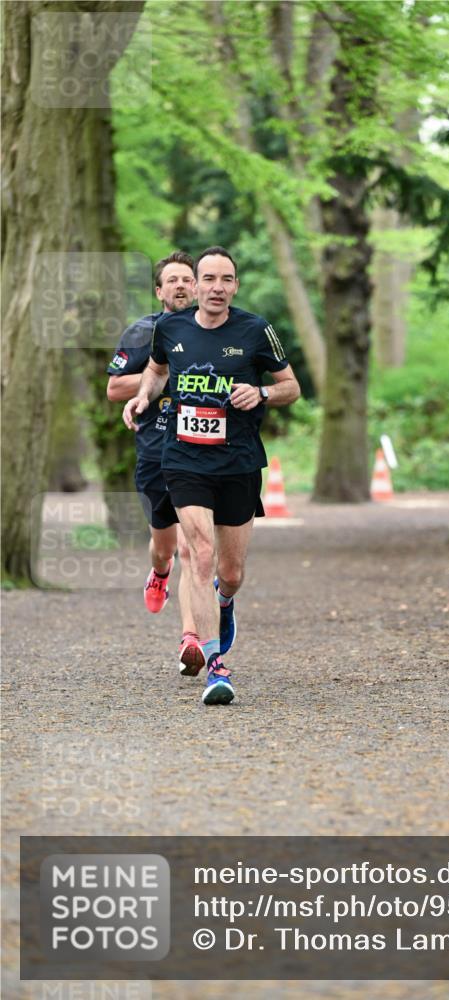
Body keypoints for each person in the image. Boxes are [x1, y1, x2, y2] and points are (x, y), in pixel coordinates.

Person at [122, 246, 301, 705]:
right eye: (208, 279)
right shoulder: (170, 327)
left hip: (238, 462)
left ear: (235, 286)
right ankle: (215, 664)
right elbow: (158, 370)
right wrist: (143, 397)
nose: (217, 287)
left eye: (226, 279)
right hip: (183, 460)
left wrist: (260, 392)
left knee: (231, 572)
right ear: (195, 285)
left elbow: (291, 387)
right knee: (199, 554)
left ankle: (225, 602)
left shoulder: (255, 330)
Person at [107, 251, 214, 674]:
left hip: (199, 452)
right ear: (159, 290)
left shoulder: (215, 331)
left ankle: (191, 637)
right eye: (173, 281)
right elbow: (115, 388)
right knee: (165, 547)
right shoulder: (142, 332)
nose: (182, 286)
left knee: (193, 546)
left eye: (188, 279)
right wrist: (165, 371)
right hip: (154, 451)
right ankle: (158, 573)